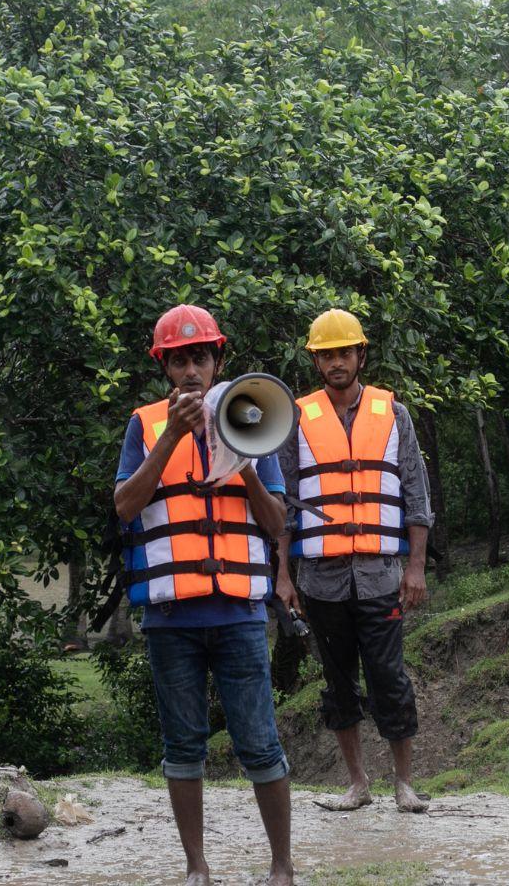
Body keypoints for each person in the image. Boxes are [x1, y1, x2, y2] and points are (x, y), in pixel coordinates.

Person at [113, 304, 295, 886]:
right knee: (183, 746)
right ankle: (197, 867)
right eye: (178, 360)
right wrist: (171, 434)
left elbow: (276, 522)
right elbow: (125, 506)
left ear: (217, 361)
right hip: (171, 616)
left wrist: (242, 461)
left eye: (200, 357)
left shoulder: (252, 416)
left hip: (239, 612)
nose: (191, 370)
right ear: (164, 367)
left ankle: (282, 867)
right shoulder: (144, 425)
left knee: (260, 743)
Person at [276, 309, 433, 813]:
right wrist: (283, 575)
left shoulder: (395, 414)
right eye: (326, 355)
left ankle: (404, 783)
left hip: (381, 575)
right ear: (316, 362)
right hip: (320, 580)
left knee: (390, 677)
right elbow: (283, 504)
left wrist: (416, 567)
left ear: (361, 355)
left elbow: (416, 495)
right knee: (338, 683)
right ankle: (358, 783)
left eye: (344, 352)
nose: (336, 363)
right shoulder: (296, 418)